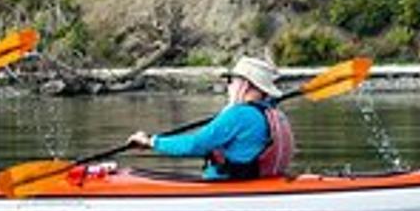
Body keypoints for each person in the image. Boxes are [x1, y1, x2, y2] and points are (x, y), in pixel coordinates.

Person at [126, 54, 295, 180]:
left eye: (231, 80)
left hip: (230, 187)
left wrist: (151, 142)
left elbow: (195, 145)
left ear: (246, 85)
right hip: (258, 181)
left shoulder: (239, 115)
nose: (228, 85)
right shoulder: (273, 112)